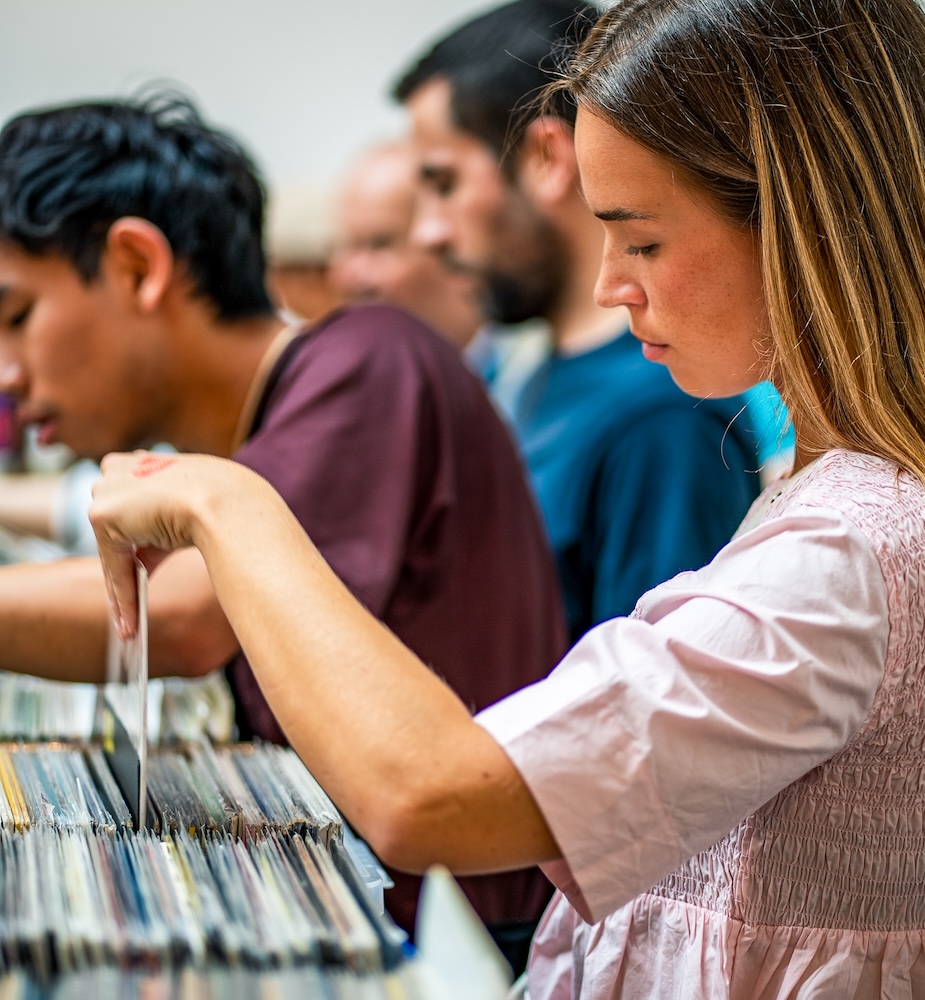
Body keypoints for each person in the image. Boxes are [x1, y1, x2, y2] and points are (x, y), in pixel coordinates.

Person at [90, 0, 925, 995]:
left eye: (642, 240)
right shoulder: (855, 497)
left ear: (805, 220)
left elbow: (425, 796)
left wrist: (229, 505)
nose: (611, 284)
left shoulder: (848, 555)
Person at [0, 93, 568, 951]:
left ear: (134, 267)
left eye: (15, 317)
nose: (4, 374)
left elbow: (185, 616)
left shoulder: (371, 359)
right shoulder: (291, 411)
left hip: (457, 947)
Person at [393, 0, 763, 644]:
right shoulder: (524, 372)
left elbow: (651, 709)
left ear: (547, 158)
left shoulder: (660, 416)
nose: (425, 233)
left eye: (444, 183)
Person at [328, 137, 549, 416]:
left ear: (443, 238)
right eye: (347, 245)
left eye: (380, 244)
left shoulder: (530, 381)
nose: (352, 274)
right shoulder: (350, 389)